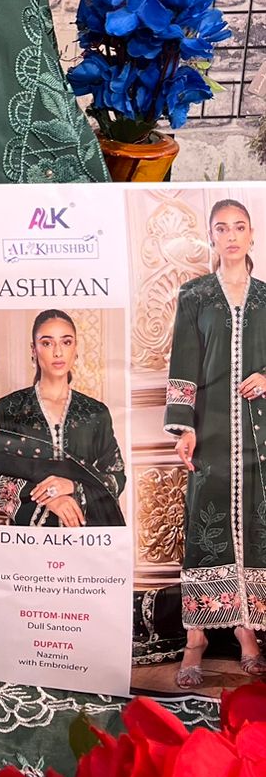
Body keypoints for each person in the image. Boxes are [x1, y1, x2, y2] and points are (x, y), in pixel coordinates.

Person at [166, 197, 266, 687]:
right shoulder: (196, 295)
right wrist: (184, 427)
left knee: (256, 526)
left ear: (252, 236)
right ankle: (196, 638)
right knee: (204, 527)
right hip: (209, 430)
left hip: (260, 433)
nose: (230, 236)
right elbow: (183, 361)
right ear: (211, 236)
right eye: (221, 228)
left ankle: (248, 634)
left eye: (239, 227)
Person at [0, 309, 126, 528]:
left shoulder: (95, 412)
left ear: (75, 349)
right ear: (33, 350)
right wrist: (49, 499)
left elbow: (116, 477)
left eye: (66, 342)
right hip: (30, 535)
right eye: (47, 343)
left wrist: (72, 486)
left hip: (86, 531)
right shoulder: (9, 408)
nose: (58, 352)